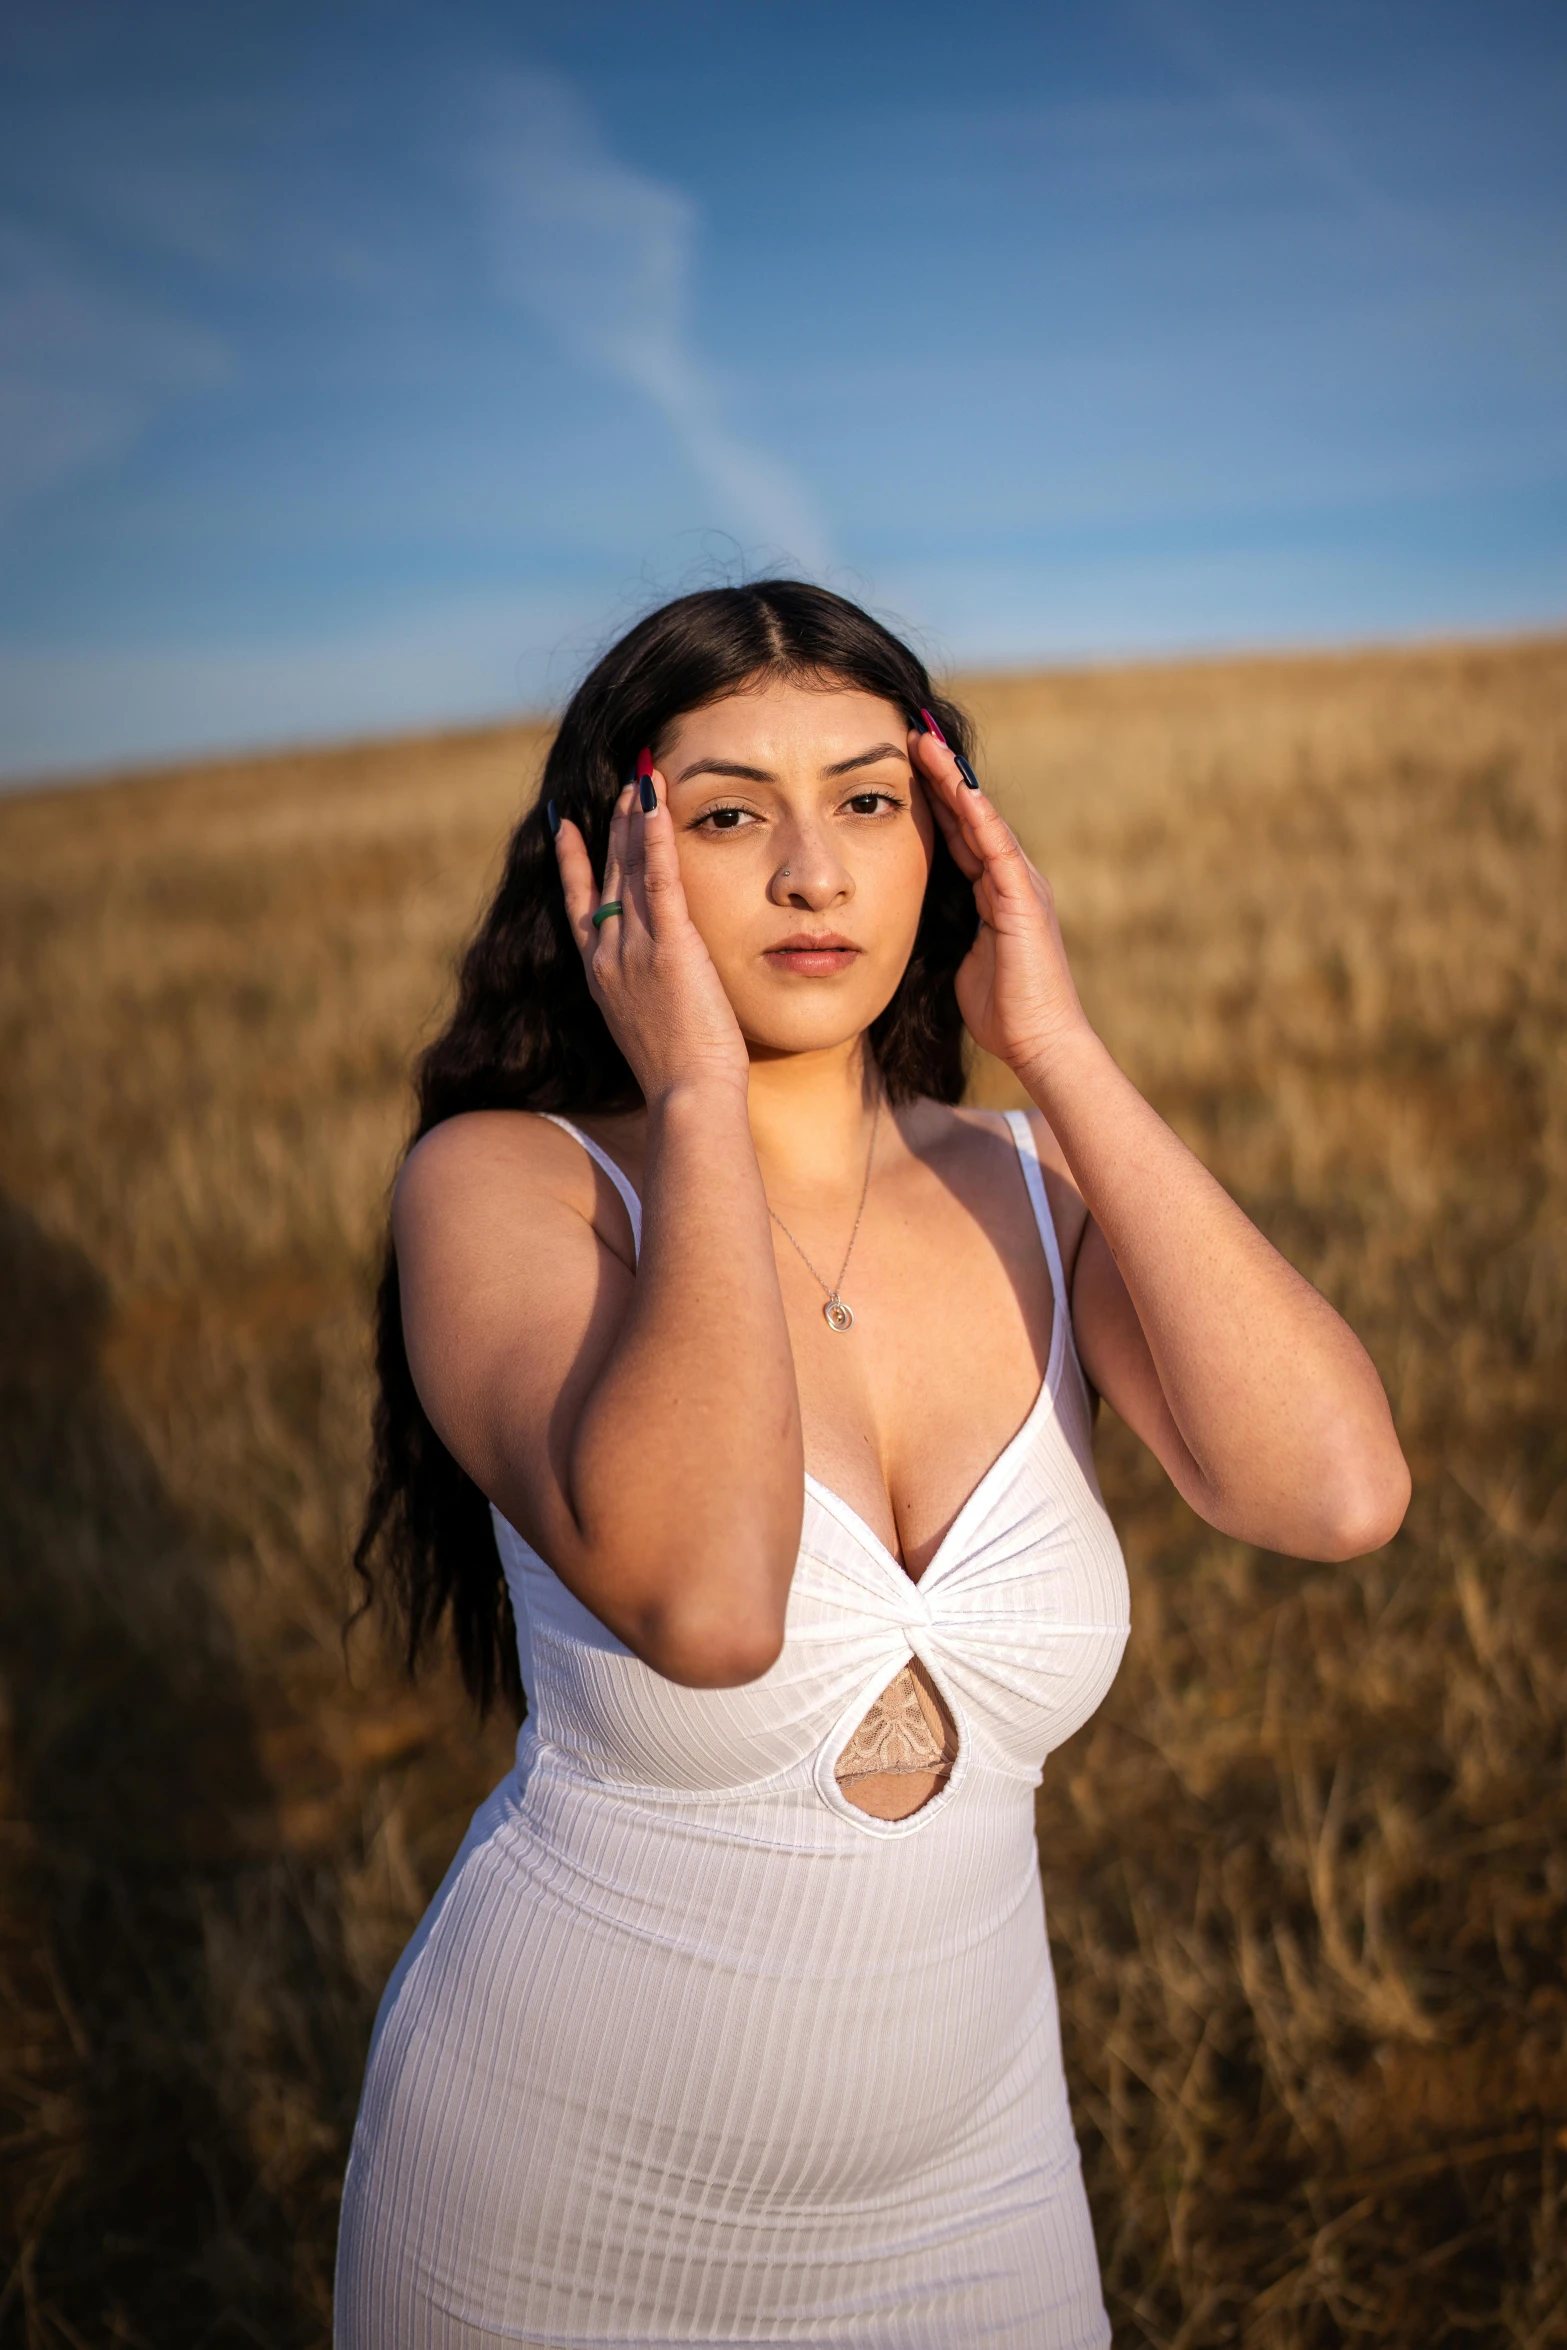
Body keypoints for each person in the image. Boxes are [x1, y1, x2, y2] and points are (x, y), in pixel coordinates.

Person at [334, 582, 1409, 2348]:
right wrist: (690, 1099)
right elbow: (707, 1597)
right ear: (613, 866)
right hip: (556, 2223)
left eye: (867, 800)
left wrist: (1053, 1045)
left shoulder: (1024, 1192)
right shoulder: (507, 1186)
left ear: (948, 845)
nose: (813, 874)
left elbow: (1335, 1491)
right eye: (729, 813)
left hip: (976, 2203)